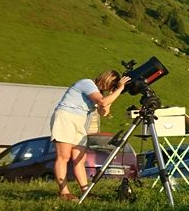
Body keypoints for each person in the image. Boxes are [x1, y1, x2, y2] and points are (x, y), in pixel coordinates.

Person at [51, 71, 130, 201]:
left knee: (80, 158)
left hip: (80, 121)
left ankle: (85, 190)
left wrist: (112, 95)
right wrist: (120, 89)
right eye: (111, 85)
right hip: (66, 117)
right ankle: (64, 192)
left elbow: (104, 111)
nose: (111, 88)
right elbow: (103, 103)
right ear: (106, 80)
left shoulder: (99, 94)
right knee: (63, 156)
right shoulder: (87, 83)